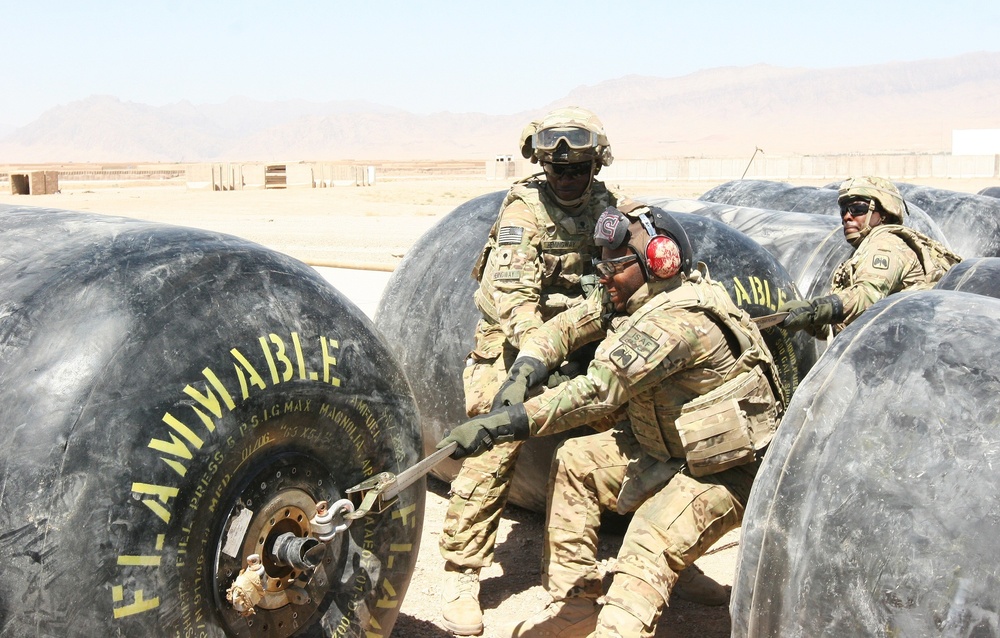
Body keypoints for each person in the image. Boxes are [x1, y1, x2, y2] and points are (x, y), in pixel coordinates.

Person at [439, 107, 726, 636]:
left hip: (586, 337)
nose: (568, 179)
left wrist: (587, 350)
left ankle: (664, 558)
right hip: (515, 345)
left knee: (644, 435)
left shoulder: (607, 207)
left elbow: (629, 268)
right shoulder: (523, 211)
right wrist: (533, 365)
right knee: (493, 437)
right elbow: (514, 298)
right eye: (558, 170)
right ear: (543, 167)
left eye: (579, 170)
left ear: (596, 166)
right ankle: (463, 573)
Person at [438, 205, 786, 638]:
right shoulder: (634, 293)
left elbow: (596, 392)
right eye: (601, 264)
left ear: (658, 262)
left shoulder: (677, 321)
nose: (604, 276)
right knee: (578, 462)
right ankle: (576, 606)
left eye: (615, 266)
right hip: (667, 448)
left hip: (722, 469)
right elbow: (566, 327)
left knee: (649, 537)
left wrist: (505, 423)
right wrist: (525, 366)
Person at [777, 176, 962, 337]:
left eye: (858, 209)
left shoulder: (885, 244)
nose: (847, 217)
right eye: (844, 210)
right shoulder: (865, 248)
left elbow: (867, 296)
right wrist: (809, 320)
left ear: (883, 214)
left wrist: (814, 310)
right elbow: (844, 324)